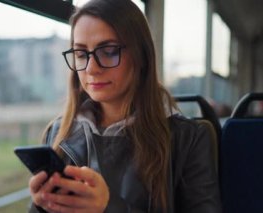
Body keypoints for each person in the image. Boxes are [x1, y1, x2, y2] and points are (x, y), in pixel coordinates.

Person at [28, 0, 222, 212]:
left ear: (141, 56)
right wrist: (42, 206)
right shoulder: (58, 133)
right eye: (81, 54)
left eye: (109, 51)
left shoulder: (189, 139)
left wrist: (108, 207)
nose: (91, 69)